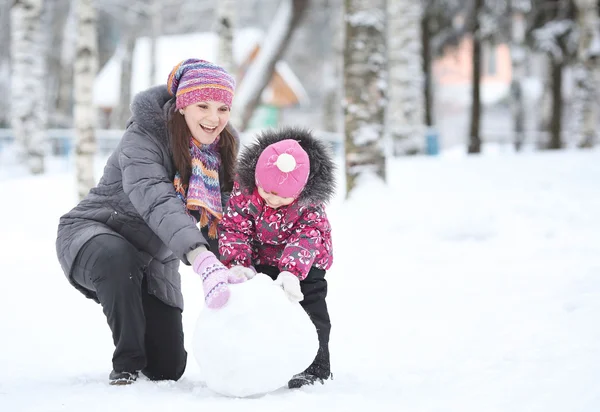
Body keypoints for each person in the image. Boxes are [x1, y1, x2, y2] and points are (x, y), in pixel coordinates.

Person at [55, 59, 248, 385]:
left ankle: (145, 348)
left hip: (155, 258)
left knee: (167, 368)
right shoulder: (144, 136)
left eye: (223, 108)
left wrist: (237, 263)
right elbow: (156, 199)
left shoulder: (221, 151)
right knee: (118, 258)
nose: (213, 118)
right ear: (183, 104)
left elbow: (226, 217)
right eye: (203, 105)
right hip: (94, 234)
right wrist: (201, 258)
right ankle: (126, 363)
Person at [218, 127, 336, 389]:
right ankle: (262, 362)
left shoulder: (309, 204)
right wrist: (239, 264)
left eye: (282, 196)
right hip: (262, 259)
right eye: (267, 191)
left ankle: (316, 366)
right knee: (261, 310)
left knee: (310, 308)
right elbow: (234, 228)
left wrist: (292, 272)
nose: (272, 199)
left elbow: (307, 236)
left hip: (307, 263)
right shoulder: (245, 191)